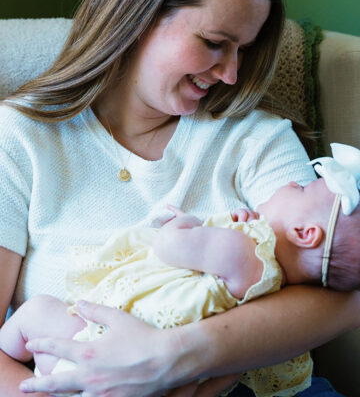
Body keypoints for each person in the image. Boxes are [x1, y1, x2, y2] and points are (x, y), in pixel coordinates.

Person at [0, 0, 359, 396]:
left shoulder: (255, 139)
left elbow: (337, 295)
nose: (231, 74)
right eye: (214, 43)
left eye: (242, 52)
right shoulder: (21, 138)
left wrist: (172, 358)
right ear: (138, 12)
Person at [1, 142, 360, 397]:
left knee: (38, 313)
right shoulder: (269, 273)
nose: (231, 72)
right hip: (116, 368)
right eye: (213, 42)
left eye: (297, 188)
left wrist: (188, 222)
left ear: (305, 234)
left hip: (92, 342)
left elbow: (169, 246)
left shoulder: (244, 246)